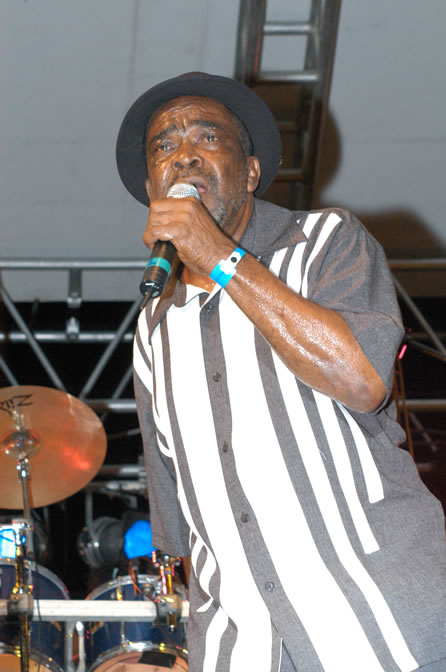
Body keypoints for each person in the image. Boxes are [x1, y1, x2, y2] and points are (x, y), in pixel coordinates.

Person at [116, 72, 446, 672]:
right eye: (163, 145)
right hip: (240, 648)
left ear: (250, 171)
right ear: (150, 188)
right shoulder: (153, 326)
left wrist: (218, 257)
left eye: (206, 137)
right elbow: (180, 522)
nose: (183, 153)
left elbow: (361, 379)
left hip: (379, 619)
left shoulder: (326, 242)